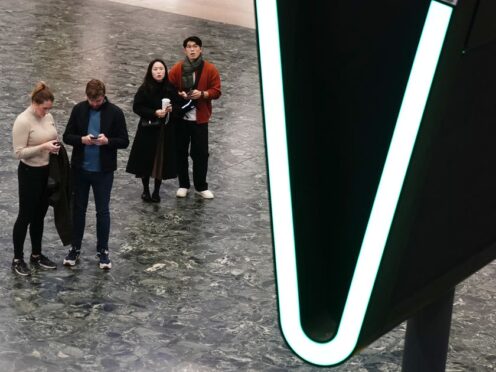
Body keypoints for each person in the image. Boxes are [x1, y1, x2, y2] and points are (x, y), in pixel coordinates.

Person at [62, 79, 129, 270]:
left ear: (104, 96)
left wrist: (107, 141)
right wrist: (81, 140)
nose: (94, 104)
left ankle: (103, 250)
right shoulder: (79, 109)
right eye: (91, 101)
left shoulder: (115, 112)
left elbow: (124, 141)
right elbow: (67, 136)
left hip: (103, 171)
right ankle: (75, 247)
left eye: (98, 101)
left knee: (103, 211)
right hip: (80, 170)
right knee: (78, 209)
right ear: (86, 97)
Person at [11, 81, 60, 276]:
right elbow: (19, 153)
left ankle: (36, 254)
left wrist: (54, 146)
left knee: (40, 215)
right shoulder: (23, 121)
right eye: (43, 108)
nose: (46, 112)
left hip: (46, 171)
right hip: (29, 172)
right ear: (34, 103)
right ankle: (17, 258)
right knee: (25, 215)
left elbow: (50, 133)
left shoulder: (48, 116)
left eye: (49, 109)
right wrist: (43, 147)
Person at [168, 36, 221, 199]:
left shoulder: (210, 69)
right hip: (181, 119)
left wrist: (203, 94)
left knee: (201, 153)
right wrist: (179, 94)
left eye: (195, 46)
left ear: (200, 49)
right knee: (180, 152)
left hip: (200, 119)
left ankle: (201, 186)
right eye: (189, 47)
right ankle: (183, 184)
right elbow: (169, 89)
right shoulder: (177, 68)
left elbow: (217, 91)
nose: (192, 49)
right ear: (185, 50)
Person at [126, 58, 183, 202]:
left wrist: (171, 109)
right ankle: (145, 190)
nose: (159, 72)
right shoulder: (145, 88)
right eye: (155, 69)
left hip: (164, 131)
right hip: (148, 130)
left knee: (160, 161)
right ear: (150, 72)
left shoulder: (170, 88)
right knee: (145, 160)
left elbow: (179, 107)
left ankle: (157, 191)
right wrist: (154, 112)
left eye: (161, 69)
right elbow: (137, 107)